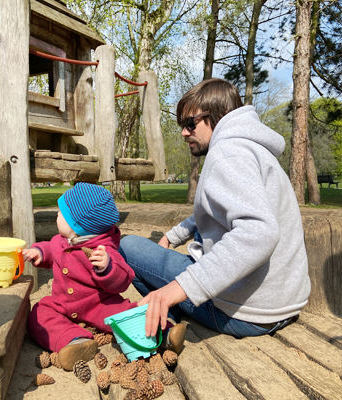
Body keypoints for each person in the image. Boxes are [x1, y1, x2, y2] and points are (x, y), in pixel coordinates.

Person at [119, 78, 311, 340]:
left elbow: (258, 232)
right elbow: (214, 210)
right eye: (181, 125)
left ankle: (165, 324)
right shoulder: (252, 148)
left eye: (190, 123)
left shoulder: (227, 154)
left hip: (244, 313)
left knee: (127, 247)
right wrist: (172, 236)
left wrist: (180, 288)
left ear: (218, 116)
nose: (184, 132)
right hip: (281, 305)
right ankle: (170, 319)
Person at [24, 183, 185, 370]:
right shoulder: (61, 241)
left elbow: (124, 278)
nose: (57, 215)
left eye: (62, 213)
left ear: (76, 225)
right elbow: (51, 249)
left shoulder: (103, 250)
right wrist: (39, 253)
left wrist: (107, 268)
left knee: (127, 315)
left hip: (99, 304)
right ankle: (74, 341)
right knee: (38, 314)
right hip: (61, 303)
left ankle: (165, 333)